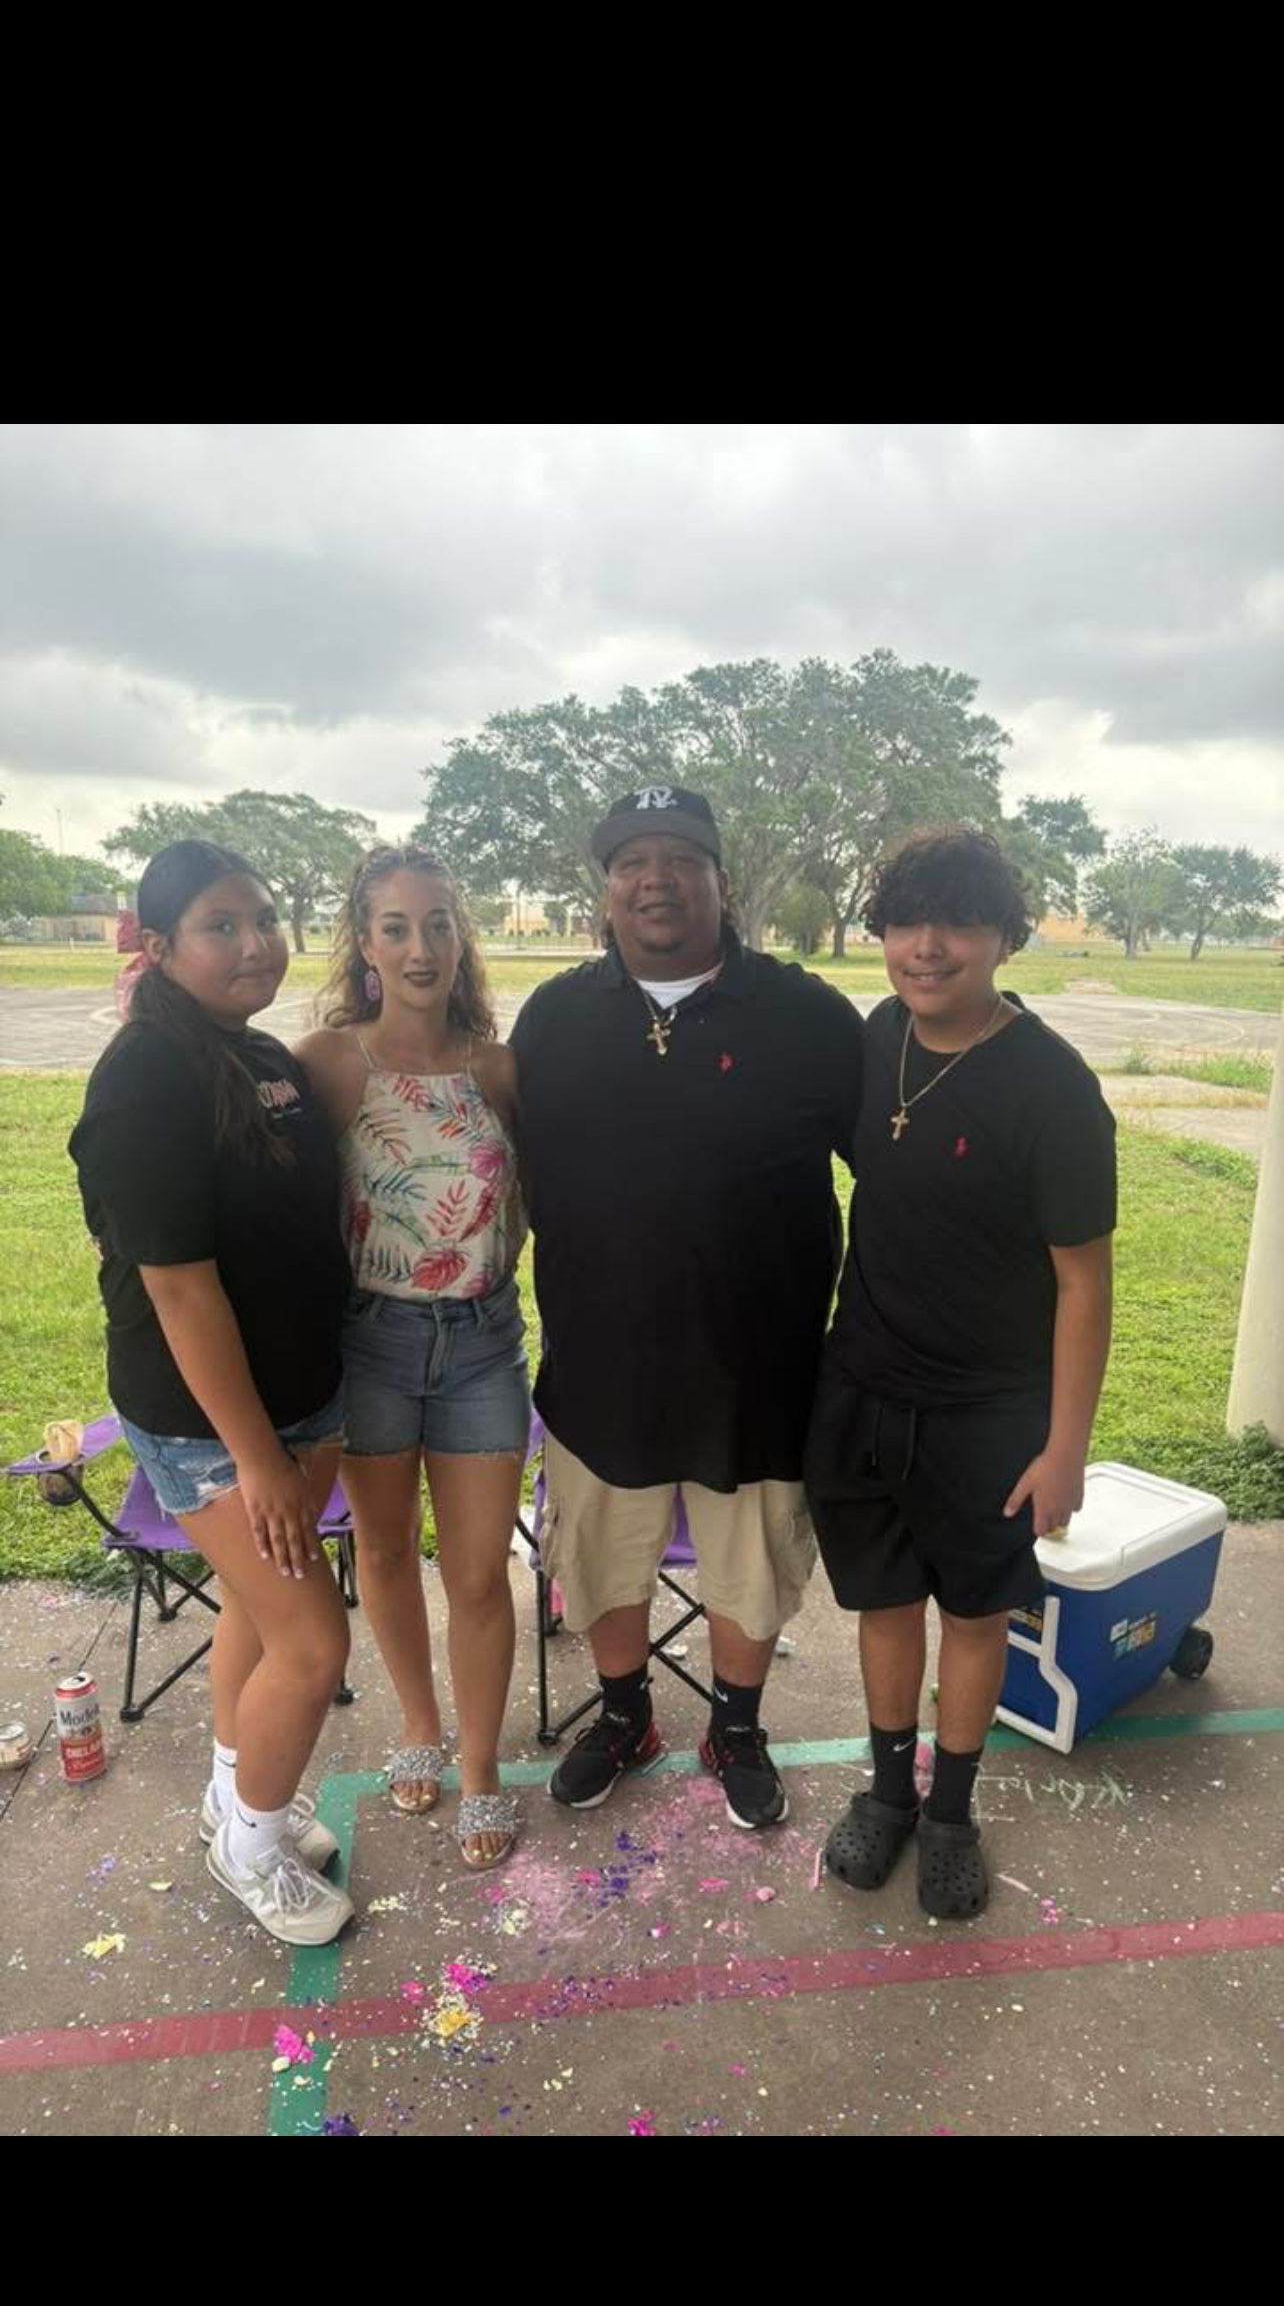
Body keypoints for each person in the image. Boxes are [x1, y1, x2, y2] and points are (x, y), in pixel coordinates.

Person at [510, 784, 865, 1831]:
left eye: (680, 858)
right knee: (601, 1558)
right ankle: (625, 1718)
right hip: (600, 1362)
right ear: (606, 890)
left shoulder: (807, 1016)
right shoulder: (554, 1018)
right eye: (631, 861)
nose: (655, 879)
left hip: (757, 1365)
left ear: (722, 881)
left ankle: (736, 1729)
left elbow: (890, 1170)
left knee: (750, 1564)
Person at [805, 827, 1117, 1918]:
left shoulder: (1052, 1086)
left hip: (989, 1410)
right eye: (905, 921)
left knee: (975, 1619)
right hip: (863, 1386)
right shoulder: (877, 1036)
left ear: (1004, 938)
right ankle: (889, 1794)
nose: (927, 946)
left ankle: (950, 1813)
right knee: (886, 1604)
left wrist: (1065, 1449)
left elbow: (1084, 1283)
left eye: (958, 924)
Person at [69, 840, 354, 1947]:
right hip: (212, 1428)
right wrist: (256, 1459)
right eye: (221, 927)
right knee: (314, 1647)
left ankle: (237, 1803)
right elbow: (181, 1291)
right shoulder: (145, 1078)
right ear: (158, 945)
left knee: (255, 1606)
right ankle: (251, 1849)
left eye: (264, 920)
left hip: (299, 1398)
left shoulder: (258, 1053)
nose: (254, 944)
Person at [296, 848, 528, 1870]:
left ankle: (479, 1769)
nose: (421, 947)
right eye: (397, 927)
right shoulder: (329, 1062)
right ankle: (419, 1727)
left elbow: (532, 1201)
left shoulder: (496, 1068)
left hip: (482, 1345)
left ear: (459, 939)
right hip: (372, 1345)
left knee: (478, 1575)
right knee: (385, 1554)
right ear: (366, 943)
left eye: (438, 925)